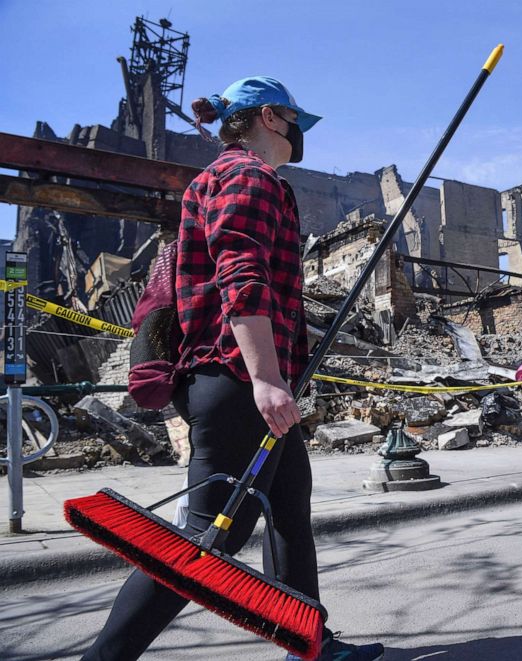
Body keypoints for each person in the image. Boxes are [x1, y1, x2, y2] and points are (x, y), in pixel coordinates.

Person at [82, 77, 384, 661]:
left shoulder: (236, 177)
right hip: (236, 380)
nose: (301, 135)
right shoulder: (248, 176)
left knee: (289, 513)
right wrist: (267, 379)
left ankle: (311, 645)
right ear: (270, 117)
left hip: (240, 379)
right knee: (206, 536)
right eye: (296, 121)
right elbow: (242, 276)